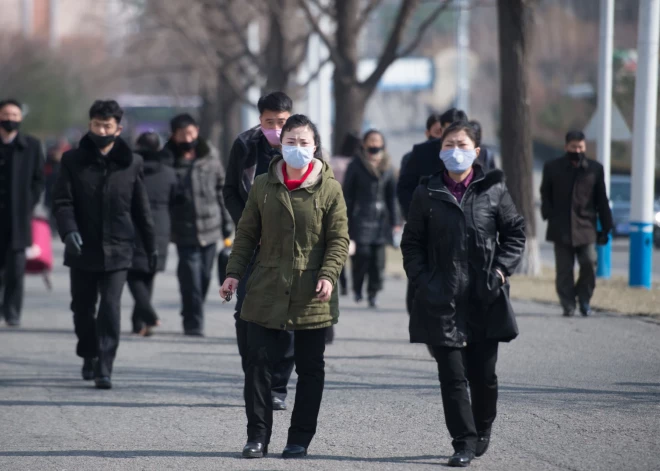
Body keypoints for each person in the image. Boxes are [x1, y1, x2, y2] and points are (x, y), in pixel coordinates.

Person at [220, 114, 349, 459]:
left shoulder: (330, 188)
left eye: (303, 142)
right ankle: (257, 436)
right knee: (257, 363)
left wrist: (328, 274)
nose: (296, 148)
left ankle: (299, 439)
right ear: (280, 144)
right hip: (266, 285)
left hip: (312, 292)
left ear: (315, 147)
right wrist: (233, 273)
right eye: (290, 141)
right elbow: (246, 234)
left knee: (310, 369)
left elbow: (339, 239)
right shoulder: (263, 185)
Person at [401, 121, 525, 467]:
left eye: (461, 144)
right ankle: (463, 442)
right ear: (440, 151)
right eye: (448, 145)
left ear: (476, 151)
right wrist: (423, 280)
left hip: (485, 296)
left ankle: (483, 426)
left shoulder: (494, 190)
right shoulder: (426, 192)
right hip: (441, 297)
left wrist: (499, 272)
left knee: (483, 376)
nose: (455, 151)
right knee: (452, 375)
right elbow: (411, 243)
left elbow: (515, 233)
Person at [53, 100, 156, 389]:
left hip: (119, 248)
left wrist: (152, 247)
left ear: (118, 129)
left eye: (107, 126)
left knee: (110, 308)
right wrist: (68, 231)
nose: (101, 130)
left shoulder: (132, 162)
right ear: (90, 125)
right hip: (82, 247)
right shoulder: (72, 160)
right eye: (97, 124)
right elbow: (62, 202)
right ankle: (88, 352)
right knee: (82, 308)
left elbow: (141, 209)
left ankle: (105, 366)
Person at [223, 91, 295, 410]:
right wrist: (248, 226)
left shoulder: (305, 143)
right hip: (254, 245)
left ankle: (278, 384)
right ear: (260, 120)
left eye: (282, 122)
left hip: (292, 247)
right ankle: (254, 375)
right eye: (270, 122)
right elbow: (229, 191)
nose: (277, 129)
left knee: (289, 315)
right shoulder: (245, 145)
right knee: (246, 314)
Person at [166, 113, 232, 336]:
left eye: (191, 132)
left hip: (211, 228)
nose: (188, 137)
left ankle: (191, 308)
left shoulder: (210, 159)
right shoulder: (168, 161)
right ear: (174, 136)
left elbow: (221, 192)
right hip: (183, 230)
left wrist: (227, 224)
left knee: (203, 277)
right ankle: (193, 322)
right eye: (182, 134)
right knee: (190, 278)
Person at [540, 130, 613, 317]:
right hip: (561, 227)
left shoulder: (594, 169)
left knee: (589, 263)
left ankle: (585, 299)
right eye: (573, 147)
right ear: (566, 147)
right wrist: (547, 213)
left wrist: (606, 226)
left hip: (586, 227)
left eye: (580, 147)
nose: (577, 150)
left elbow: (601, 199)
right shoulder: (552, 167)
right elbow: (545, 193)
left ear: (585, 147)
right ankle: (568, 304)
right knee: (564, 270)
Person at [398, 112, 448, 321]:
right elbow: (403, 189)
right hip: (423, 225)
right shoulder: (415, 156)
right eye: (439, 132)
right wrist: (415, 214)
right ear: (429, 133)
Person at [127, 132, 178, 336]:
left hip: (133, 223)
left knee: (132, 272)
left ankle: (146, 314)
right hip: (161, 225)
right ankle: (138, 322)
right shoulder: (169, 172)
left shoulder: (129, 169)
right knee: (148, 272)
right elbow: (177, 199)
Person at [0, 99, 45, 327]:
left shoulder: (32, 146)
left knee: (16, 269)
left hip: (18, 218)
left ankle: (11, 311)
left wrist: (29, 203)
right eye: (6, 114)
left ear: (21, 118)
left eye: (15, 115)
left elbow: (39, 180)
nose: (10, 119)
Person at [343, 129, 398, 308]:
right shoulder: (356, 164)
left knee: (378, 261)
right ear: (364, 144)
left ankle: (373, 293)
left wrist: (395, 221)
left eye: (377, 141)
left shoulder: (388, 166)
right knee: (362, 256)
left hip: (381, 219)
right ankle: (358, 287)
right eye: (371, 141)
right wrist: (345, 218)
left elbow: (392, 196)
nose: (374, 144)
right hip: (361, 217)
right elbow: (348, 194)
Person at [397, 107, 468, 220]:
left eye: (457, 131)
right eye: (448, 129)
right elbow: (405, 187)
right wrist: (415, 218)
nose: (453, 136)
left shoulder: (473, 153)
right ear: (442, 130)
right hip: (430, 223)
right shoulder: (422, 152)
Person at [330, 132, 362, 299]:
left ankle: (341, 282)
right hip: (355, 209)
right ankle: (356, 283)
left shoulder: (334, 162)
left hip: (335, 206)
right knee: (354, 247)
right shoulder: (358, 164)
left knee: (338, 245)